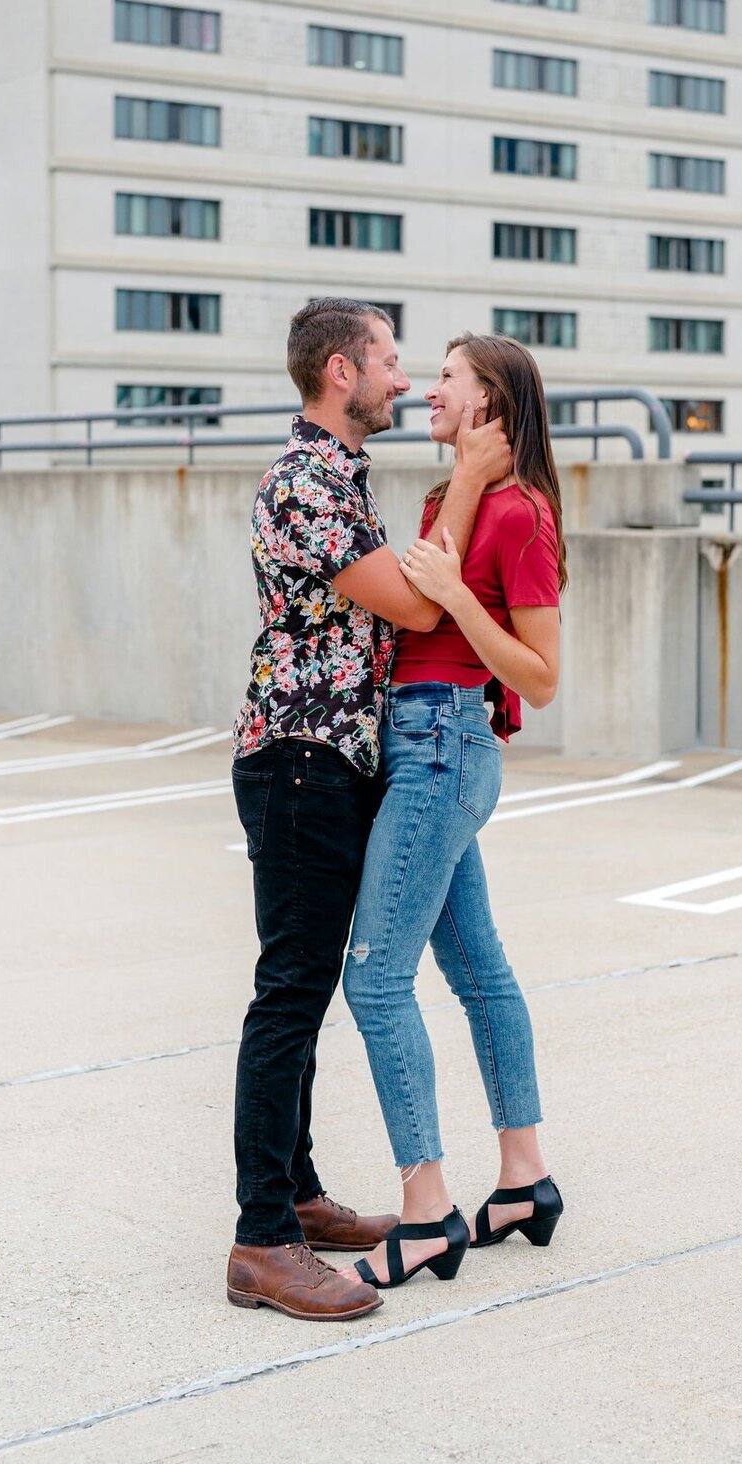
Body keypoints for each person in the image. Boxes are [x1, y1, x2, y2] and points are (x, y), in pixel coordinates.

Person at [226, 299, 512, 1321]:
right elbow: (420, 606)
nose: (409, 380)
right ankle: (262, 1238)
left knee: (301, 993)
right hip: (300, 762)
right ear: (342, 372)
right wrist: (474, 483)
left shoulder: (342, 474)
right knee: (291, 994)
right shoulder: (307, 479)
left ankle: (295, 1197)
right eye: (393, 361)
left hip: (330, 762)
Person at [341, 332, 566, 1292]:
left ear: (490, 407)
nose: (427, 391)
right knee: (477, 970)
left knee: (375, 979)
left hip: (443, 744)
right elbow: (416, 608)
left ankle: (429, 1210)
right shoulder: (451, 497)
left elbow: (543, 678)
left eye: (446, 380)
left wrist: (468, 615)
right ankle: (524, 1179)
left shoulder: (521, 515)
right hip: (416, 742)